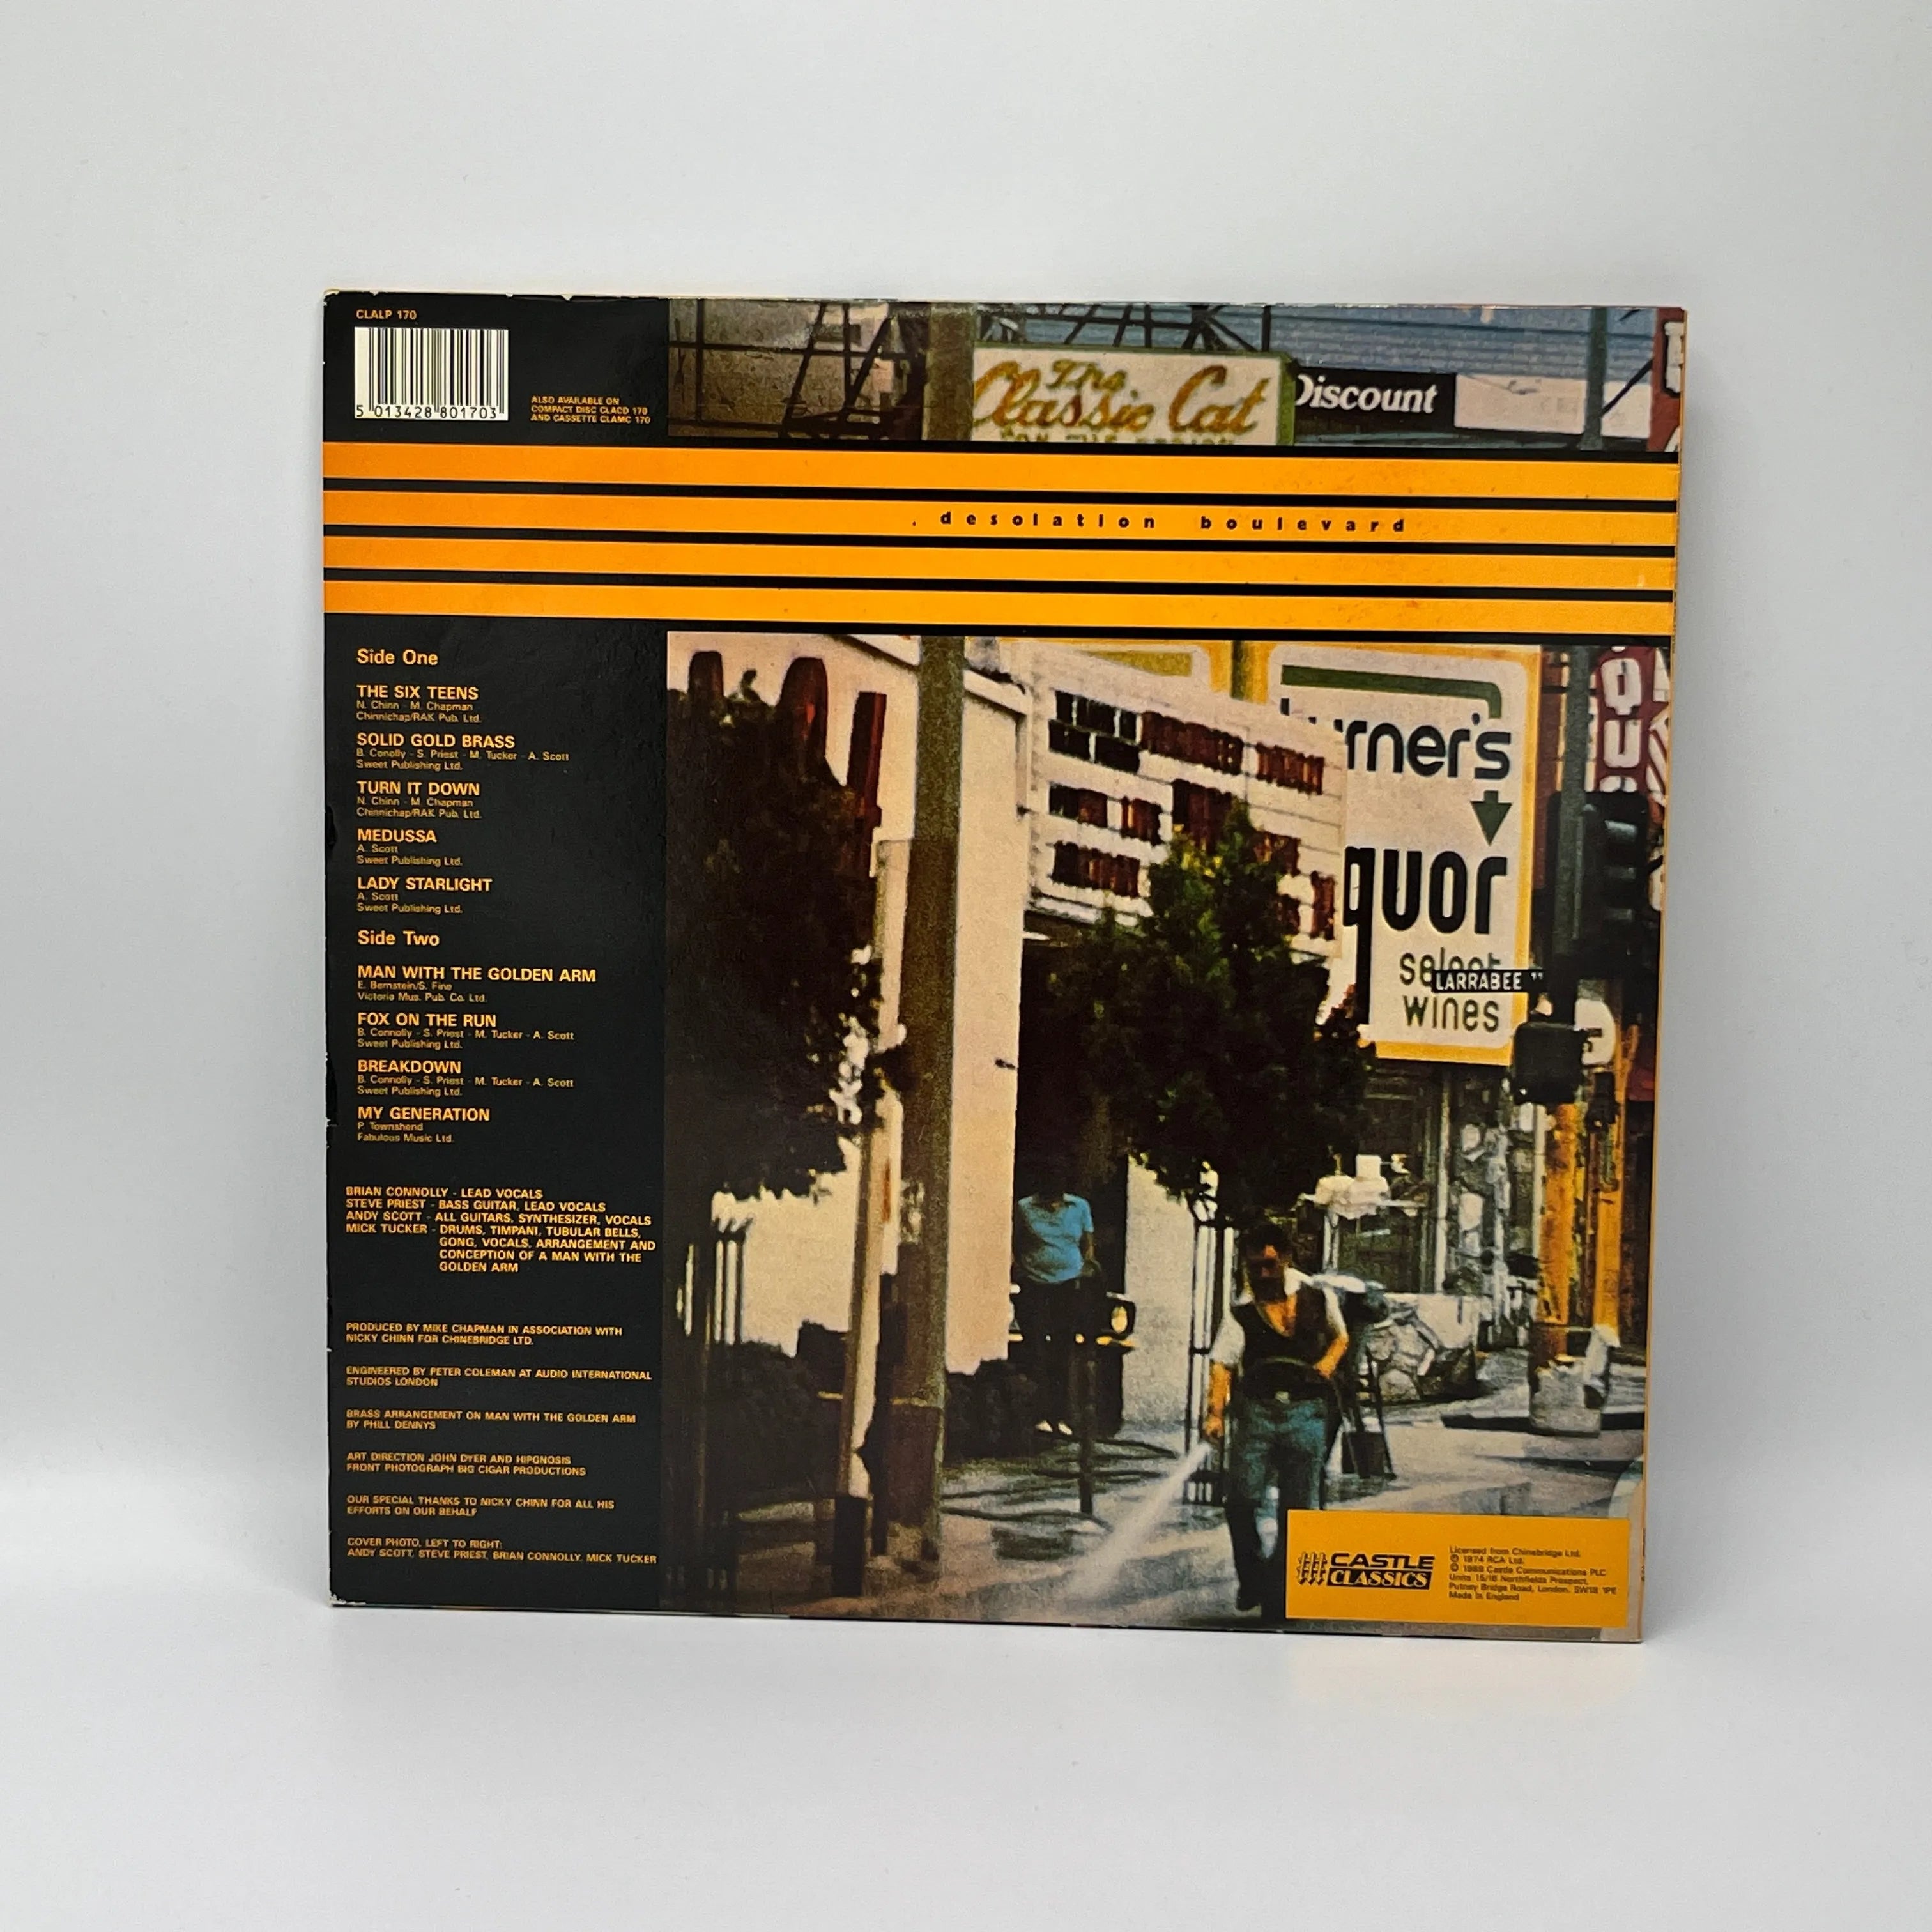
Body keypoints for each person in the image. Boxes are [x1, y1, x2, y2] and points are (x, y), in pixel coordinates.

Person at [1201, 1223, 1349, 1614]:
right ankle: (1253, 1578)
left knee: (1299, 1510)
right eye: (1254, 1267)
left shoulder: (1318, 1297)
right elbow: (1222, 1363)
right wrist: (1215, 1414)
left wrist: (1327, 1364)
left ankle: (1279, 1591)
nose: (1262, 1274)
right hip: (1257, 1414)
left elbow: (1340, 1337)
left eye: (1269, 1265)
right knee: (1241, 1501)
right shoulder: (1241, 1312)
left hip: (1306, 1413)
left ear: (1285, 1259)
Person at [1011, 1162, 1098, 1438]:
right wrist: (1020, 1270)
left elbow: (1088, 1244)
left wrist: (1085, 1269)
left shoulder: (1079, 1207)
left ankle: (1061, 1416)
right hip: (1035, 1284)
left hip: (1068, 1285)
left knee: (1063, 1350)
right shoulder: (1025, 1208)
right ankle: (1040, 1415)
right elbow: (1015, 1242)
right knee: (1036, 1350)